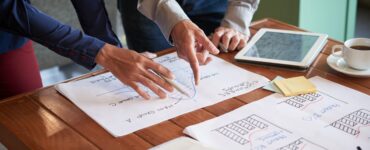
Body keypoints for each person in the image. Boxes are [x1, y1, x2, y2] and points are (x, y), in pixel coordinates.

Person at [0, 0, 174, 100]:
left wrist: (111, 49)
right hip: (8, 21)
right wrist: (103, 53)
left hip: (8, 37)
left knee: (28, 116)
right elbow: (7, 8)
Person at [118, 0, 259, 84]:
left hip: (214, 3)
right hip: (146, 6)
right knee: (158, 75)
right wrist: (175, 21)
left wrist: (235, 22)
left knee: (219, 64)